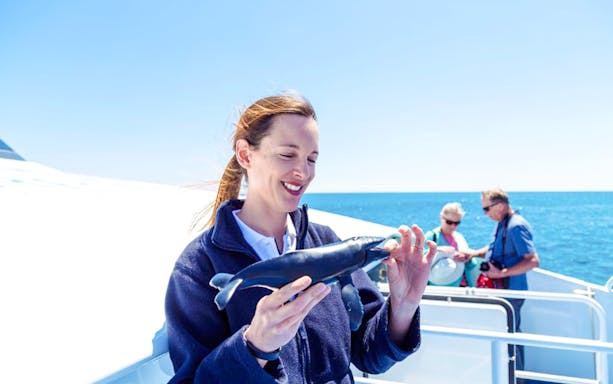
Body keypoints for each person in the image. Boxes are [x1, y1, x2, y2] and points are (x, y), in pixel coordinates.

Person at [164, 93, 437, 383]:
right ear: (245, 155)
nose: (303, 172)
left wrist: (403, 306)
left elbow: (368, 354)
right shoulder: (199, 265)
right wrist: (254, 347)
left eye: (312, 159)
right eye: (287, 154)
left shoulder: (326, 240)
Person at [458, 188, 540, 375]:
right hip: (503, 292)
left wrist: (501, 273)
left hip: (511, 292)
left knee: (511, 336)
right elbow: (496, 248)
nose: (485, 214)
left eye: (487, 209)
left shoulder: (516, 226)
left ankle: (516, 377)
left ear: (501, 205)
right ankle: (509, 375)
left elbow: (533, 260)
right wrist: (474, 254)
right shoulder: (504, 223)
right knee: (506, 334)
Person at [425, 202, 480, 287]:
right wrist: (438, 250)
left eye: (457, 223)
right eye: (449, 222)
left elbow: (471, 265)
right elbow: (418, 259)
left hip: (462, 287)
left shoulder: (459, 238)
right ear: (441, 218)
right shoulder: (432, 236)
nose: (453, 226)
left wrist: (467, 258)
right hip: (439, 289)